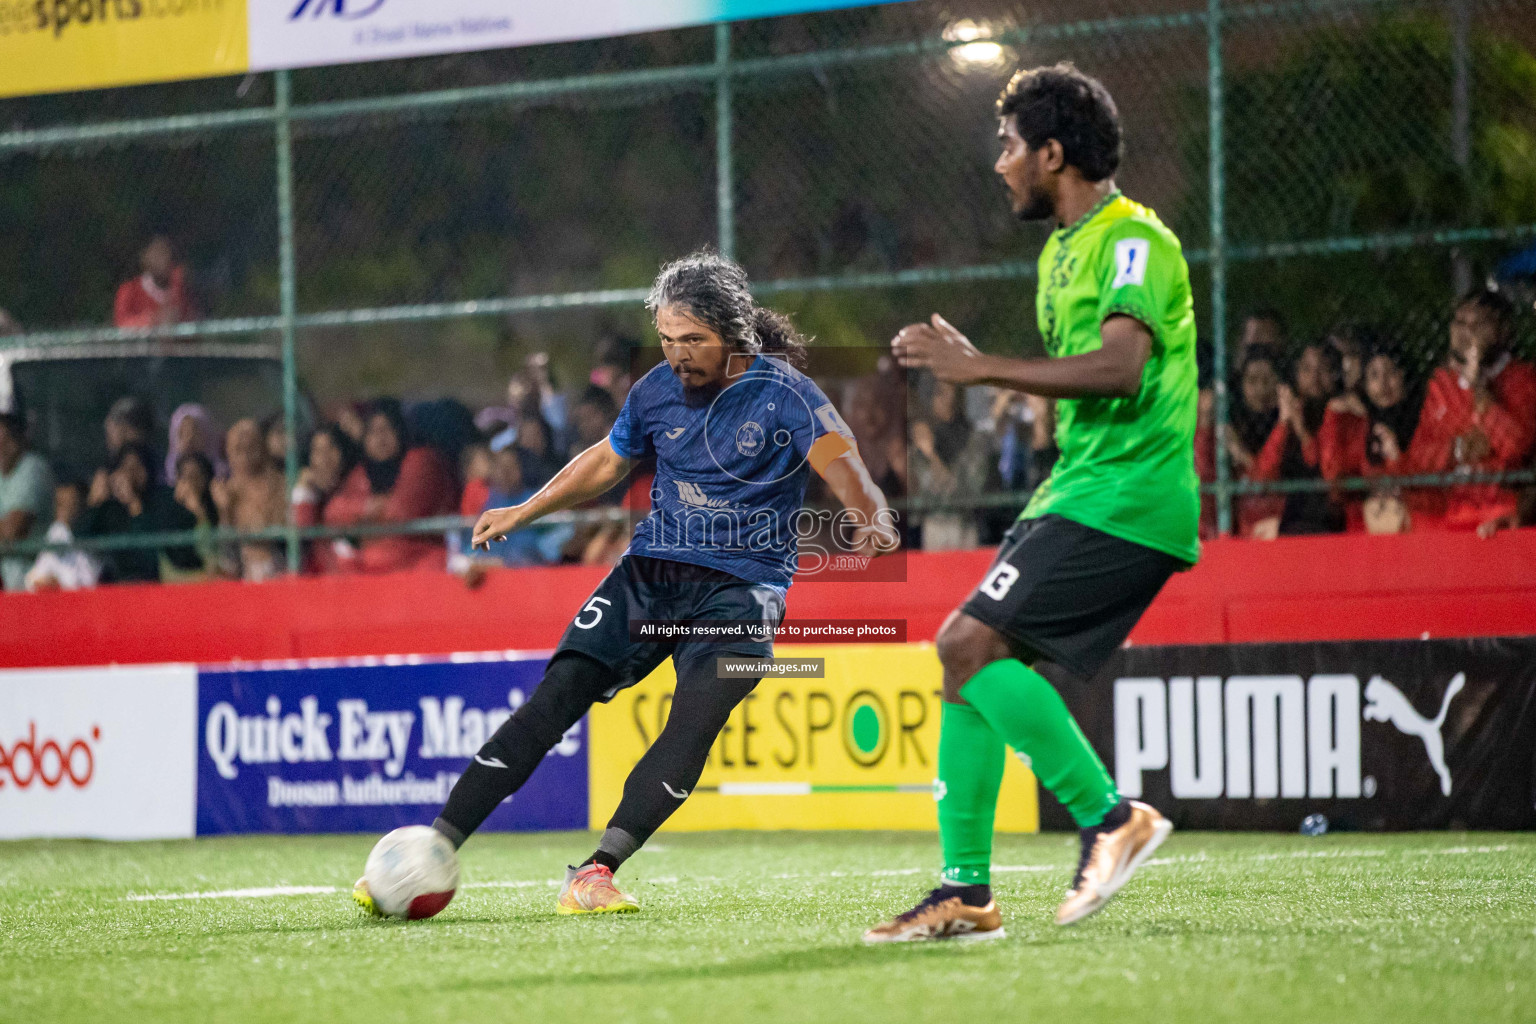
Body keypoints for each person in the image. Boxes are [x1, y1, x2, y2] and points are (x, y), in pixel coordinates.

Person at [354, 250, 898, 918]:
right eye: (667, 339)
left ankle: (596, 871)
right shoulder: (654, 391)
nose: (677, 354)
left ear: (733, 333)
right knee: (556, 698)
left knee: (697, 715)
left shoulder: (785, 394)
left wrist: (868, 512)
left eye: (692, 339)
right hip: (650, 577)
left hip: (742, 592)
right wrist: (525, 510)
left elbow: (841, 460)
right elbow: (607, 462)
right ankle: (432, 847)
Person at [865, 63, 1193, 944]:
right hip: (1080, 488)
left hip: (1127, 496)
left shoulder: (1136, 244)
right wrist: (989, 366)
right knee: (966, 666)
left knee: (963, 645)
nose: (1000, 162)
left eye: (1009, 145)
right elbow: (1082, 383)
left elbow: (1122, 367)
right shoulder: (1060, 252)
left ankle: (1110, 817)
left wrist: (980, 370)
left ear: (1053, 153)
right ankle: (965, 893)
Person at [1406, 287, 1536, 532]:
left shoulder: (1523, 379)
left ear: (1504, 331)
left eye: (1478, 323)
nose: (1466, 331)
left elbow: (1516, 448)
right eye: (1460, 322)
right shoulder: (1442, 383)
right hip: (1451, 512)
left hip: (1501, 513)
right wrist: (1457, 448)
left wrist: (1478, 388)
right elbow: (1419, 457)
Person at [321, 400, 456, 573]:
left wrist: (361, 523)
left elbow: (401, 512)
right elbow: (333, 513)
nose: (380, 438)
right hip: (375, 568)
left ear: (400, 431)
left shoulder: (422, 460)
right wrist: (368, 508)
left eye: (386, 429)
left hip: (422, 564)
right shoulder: (362, 472)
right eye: (372, 432)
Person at [1319, 343, 1418, 532]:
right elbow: (1334, 479)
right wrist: (1332, 416)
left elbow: (1423, 487)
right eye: (1374, 375)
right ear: (1364, 384)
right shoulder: (1359, 425)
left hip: (1413, 523)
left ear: (1404, 377)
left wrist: (1396, 458)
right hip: (1366, 528)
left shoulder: (1421, 418)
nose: (1383, 383)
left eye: (1391, 372)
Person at [76, 443, 200, 583]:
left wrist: (134, 505)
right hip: (116, 588)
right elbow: (79, 542)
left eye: (136, 467)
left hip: (154, 587)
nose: (131, 474)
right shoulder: (110, 509)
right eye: (126, 468)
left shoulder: (163, 501)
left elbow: (152, 558)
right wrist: (94, 502)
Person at [212, 418, 286, 581]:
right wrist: (225, 512)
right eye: (238, 449)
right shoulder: (226, 491)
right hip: (245, 581)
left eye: (251, 447)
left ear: (262, 447)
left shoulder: (282, 485)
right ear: (228, 453)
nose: (245, 456)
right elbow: (228, 560)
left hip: (281, 575)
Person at [290, 424, 362, 574]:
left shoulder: (357, 480)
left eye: (331, 449)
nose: (325, 458)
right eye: (317, 451)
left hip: (356, 578)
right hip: (321, 581)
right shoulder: (311, 490)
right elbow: (302, 530)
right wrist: (304, 489)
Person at [0, 412, 55, 592]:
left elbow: (13, 529)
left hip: (36, 592)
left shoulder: (33, 468)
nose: (2, 444)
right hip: (9, 592)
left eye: (6, 436)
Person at [24, 479, 101, 592]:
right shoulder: (57, 531)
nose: (63, 510)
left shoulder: (92, 530)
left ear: (82, 506)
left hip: (86, 603)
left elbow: (90, 581)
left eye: (70, 504)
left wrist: (59, 583)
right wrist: (43, 581)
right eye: (60, 504)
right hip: (57, 602)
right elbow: (35, 576)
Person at [113, 235, 195, 328]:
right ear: (144, 258)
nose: (163, 259)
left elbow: (193, 322)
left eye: (165, 252)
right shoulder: (129, 290)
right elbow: (121, 323)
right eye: (157, 253)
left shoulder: (180, 288)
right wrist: (154, 319)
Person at [165, 403, 226, 484]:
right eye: (184, 433)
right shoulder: (169, 474)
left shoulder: (221, 474)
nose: (190, 438)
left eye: (195, 432)